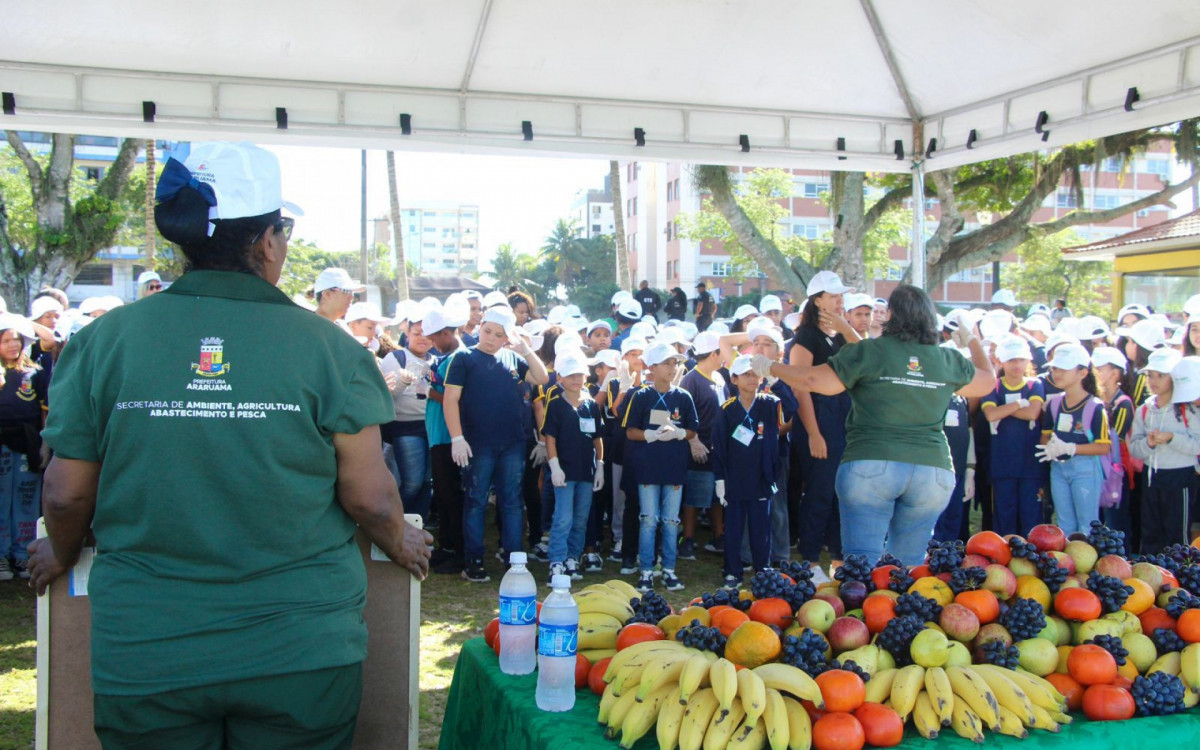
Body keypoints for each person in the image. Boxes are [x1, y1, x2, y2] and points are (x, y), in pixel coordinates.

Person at [27, 141, 431, 748]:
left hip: (148, 654)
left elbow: (64, 494)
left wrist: (58, 553)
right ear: (267, 242)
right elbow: (371, 499)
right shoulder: (331, 350)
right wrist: (403, 540)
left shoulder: (103, 342)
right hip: (299, 654)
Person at [758, 284, 994, 565]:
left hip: (871, 465)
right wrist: (972, 339)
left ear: (891, 314)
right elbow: (987, 382)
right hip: (932, 470)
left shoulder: (869, 351)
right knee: (907, 566)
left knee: (863, 565)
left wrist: (769, 367)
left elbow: (813, 381)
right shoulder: (947, 358)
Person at [443, 306, 549, 583]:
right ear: (480, 327)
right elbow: (450, 399)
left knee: (512, 501)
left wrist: (525, 348)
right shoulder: (464, 358)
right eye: (487, 330)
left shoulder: (513, 357)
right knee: (476, 500)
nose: (490, 338)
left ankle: (514, 559)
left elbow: (542, 378)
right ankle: (474, 561)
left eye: (498, 334)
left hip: (513, 442)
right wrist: (457, 437)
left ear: (507, 337)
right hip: (478, 443)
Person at [789, 270, 855, 569]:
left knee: (841, 491)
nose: (840, 301)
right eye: (834, 296)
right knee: (819, 490)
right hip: (818, 419)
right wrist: (814, 433)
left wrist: (845, 326)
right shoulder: (806, 336)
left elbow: (865, 353)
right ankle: (811, 559)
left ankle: (838, 557)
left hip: (843, 420)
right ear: (817, 300)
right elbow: (800, 385)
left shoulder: (840, 333)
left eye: (842, 296)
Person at [622, 342, 699, 592]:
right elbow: (630, 431)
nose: (672, 367)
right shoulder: (641, 396)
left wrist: (678, 433)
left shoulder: (683, 396)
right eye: (667, 363)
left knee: (670, 521)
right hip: (648, 469)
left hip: (674, 469)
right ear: (652, 367)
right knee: (648, 520)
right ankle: (646, 570)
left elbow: (692, 430)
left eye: (675, 363)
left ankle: (668, 569)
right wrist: (651, 435)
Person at [712, 355, 783, 586]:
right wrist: (720, 479)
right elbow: (719, 446)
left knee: (761, 529)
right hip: (735, 478)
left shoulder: (770, 403)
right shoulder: (727, 409)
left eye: (756, 374)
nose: (753, 379)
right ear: (734, 379)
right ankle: (732, 571)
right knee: (733, 529)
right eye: (747, 374)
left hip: (762, 477)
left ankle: (763, 570)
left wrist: (776, 382)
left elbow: (792, 410)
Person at [542, 352, 605, 582]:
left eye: (579, 375)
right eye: (571, 376)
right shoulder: (556, 405)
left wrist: (600, 465)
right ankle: (556, 561)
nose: (576, 380)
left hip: (586, 473)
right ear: (560, 378)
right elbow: (550, 437)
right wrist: (554, 465)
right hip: (565, 473)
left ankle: (572, 557)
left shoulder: (591, 405)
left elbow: (598, 438)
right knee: (563, 518)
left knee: (580, 517)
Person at [1036, 344, 1111, 536]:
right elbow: (1045, 434)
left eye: (1063, 368)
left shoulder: (1095, 407)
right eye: (1054, 368)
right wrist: (1049, 447)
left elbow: (1103, 447)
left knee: (1087, 525)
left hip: (1085, 470)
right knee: (1064, 524)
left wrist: (1071, 448)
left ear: (1082, 372)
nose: (1057, 373)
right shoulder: (1053, 403)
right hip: (1058, 468)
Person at [1129, 350, 1198, 552]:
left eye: (1161, 375)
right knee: (1150, 533)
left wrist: (1171, 438)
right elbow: (1135, 448)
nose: (1154, 380)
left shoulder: (1189, 408)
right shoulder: (1145, 408)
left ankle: (1180, 579)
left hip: (1180, 478)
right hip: (1151, 478)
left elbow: (1197, 444)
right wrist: (1148, 445)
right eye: (1150, 375)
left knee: (1177, 536)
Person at [0, 313, 49, 580]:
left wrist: (44, 444)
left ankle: (22, 554)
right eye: (6, 340)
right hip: (1, 443)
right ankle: (1, 556)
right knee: (1, 498)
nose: (13, 346)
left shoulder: (34, 372)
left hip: (27, 443)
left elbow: (44, 412)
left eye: (17, 340)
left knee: (26, 498)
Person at [981, 336, 1046, 537]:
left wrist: (1004, 409)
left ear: (1028, 361)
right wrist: (1019, 404)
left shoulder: (1034, 385)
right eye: (1011, 360)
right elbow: (990, 414)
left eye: (1021, 359)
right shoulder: (994, 385)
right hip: (1002, 465)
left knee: (1031, 521)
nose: (1017, 365)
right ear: (1000, 361)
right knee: (1004, 521)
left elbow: (1032, 413)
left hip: (1030, 466)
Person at [380, 307, 437, 524]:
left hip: (431, 427)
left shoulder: (436, 361)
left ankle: (417, 526)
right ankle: (392, 521)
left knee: (426, 482)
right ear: (408, 335)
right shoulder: (396, 357)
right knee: (412, 482)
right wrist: (403, 381)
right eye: (417, 332)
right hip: (405, 427)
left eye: (427, 333)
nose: (422, 337)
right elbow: (387, 395)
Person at [423, 308, 468, 574]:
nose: (432, 344)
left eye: (434, 338)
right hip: (438, 436)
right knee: (443, 495)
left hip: (448, 436)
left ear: (446, 333)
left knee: (452, 496)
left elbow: (457, 398)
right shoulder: (447, 357)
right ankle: (448, 546)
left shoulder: (458, 358)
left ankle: (460, 552)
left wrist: (428, 392)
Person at [678, 331, 726, 560]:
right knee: (696, 495)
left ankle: (719, 536)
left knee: (718, 495)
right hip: (699, 449)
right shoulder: (691, 379)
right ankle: (687, 539)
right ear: (714, 353)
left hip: (719, 449)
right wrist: (693, 440)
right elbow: (681, 414)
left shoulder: (719, 378)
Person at [1092, 346, 1137, 540]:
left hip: (1115, 472)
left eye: (1100, 368)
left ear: (1115, 372)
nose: (1096, 372)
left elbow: (1113, 440)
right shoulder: (1096, 401)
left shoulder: (1123, 403)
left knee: (1116, 522)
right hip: (1097, 468)